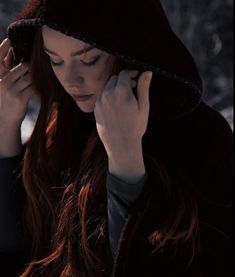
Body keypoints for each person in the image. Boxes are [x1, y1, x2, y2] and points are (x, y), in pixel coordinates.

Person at [0, 0, 233, 276]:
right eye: (56, 60)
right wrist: (5, 129)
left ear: (128, 49)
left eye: (89, 59)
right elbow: (16, 254)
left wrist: (126, 162)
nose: (71, 79)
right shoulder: (60, 126)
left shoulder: (201, 138)